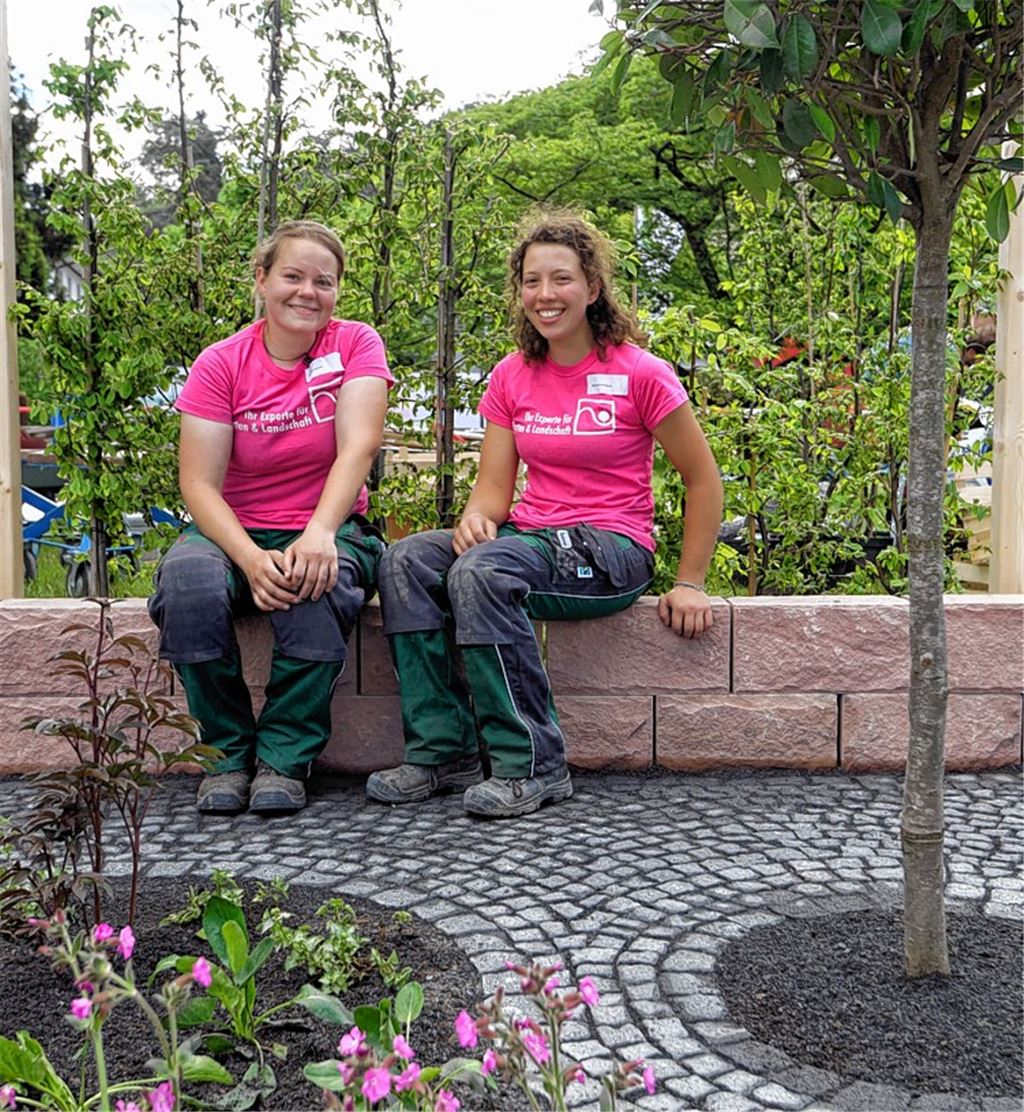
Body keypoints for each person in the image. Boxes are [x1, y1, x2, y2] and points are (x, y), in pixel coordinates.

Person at [366, 210, 722, 819]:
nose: (545, 295)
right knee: (404, 562)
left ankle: (532, 763)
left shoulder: (641, 373)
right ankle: (441, 752)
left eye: (561, 279)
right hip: (530, 539)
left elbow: (703, 479)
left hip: (612, 549)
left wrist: (690, 582)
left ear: (592, 287)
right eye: (532, 281)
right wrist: (476, 519)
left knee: (483, 572)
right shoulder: (512, 376)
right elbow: (492, 493)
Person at [149, 220, 392, 815]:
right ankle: (226, 755)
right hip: (234, 529)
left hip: (328, 525)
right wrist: (250, 558)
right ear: (262, 280)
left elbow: (359, 445)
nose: (307, 291)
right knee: (188, 585)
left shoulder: (355, 344)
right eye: (292, 276)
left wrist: (319, 532)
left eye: (323, 281)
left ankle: (285, 758)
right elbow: (198, 484)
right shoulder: (221, 363)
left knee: (315, 585)